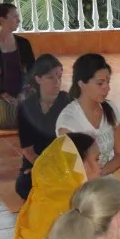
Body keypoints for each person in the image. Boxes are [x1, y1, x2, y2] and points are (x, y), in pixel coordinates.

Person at [56, 53, 120, 237]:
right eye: (100, 83)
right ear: (81, 83)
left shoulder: (110, 109)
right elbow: (73, 173)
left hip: (106, 181)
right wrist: (96, 177)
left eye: (108, 82)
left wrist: (100, 173)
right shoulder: (69, 121)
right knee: (111, 231)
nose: (107, 88)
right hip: (82, 190)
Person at [15, 54, 71, 200]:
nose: (57, 82)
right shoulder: (26, 107)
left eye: (59, 76)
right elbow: (28, 150)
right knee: (23, 186)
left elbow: (76, 143)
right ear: (38, 79)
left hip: (63, 163)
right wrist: (42, 168)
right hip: (37, 163)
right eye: (50, 77)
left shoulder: (68, 102)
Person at [0, 1, 35, 130]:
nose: (18, 20)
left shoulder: (23, 43)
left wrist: (24, 93)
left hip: (23, 93)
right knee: (3, 120)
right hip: (0, 96)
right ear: (3, 20)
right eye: (14, 17)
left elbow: (32, 70)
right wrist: (3, 94)